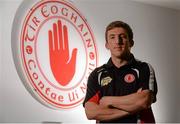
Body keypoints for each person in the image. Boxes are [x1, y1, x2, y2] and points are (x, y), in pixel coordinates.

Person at [83, 20, 158, 123]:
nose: (118, 41)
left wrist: (108, 101)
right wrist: (132, 108)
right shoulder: (97, 74)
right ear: (107, 45)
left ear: (131, 42)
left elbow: (144, 101)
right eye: (112, 37)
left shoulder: (143, 68)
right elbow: (91, 112)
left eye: (122, 36)